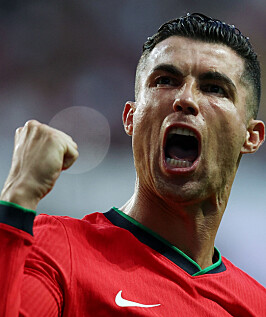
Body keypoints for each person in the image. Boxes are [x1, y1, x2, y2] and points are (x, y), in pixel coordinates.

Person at [0, 13, 265, 316]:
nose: (185, 98)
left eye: (214, 88)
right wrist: (18, 195)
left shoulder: (257, 305)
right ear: (130, 118)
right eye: (165, 81)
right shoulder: (58, 248)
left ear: (252, 136)